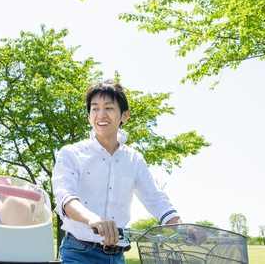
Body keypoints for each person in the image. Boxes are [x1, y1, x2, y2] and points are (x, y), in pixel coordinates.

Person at [52, 79, 183, 264]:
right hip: (78, 253)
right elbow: (66, 199)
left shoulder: (134, 159)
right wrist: (94, 220)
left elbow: (155, 198)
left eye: (109, 108)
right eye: (95, 109)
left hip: (118, 256)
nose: (101, 114)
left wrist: (183, 227)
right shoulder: (71, 153)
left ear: (124, 115)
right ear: (89, 116)